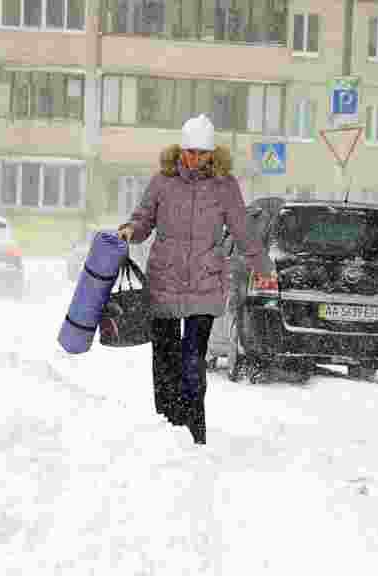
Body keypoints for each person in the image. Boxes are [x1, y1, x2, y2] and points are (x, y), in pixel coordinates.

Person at [117, 114, 275, 445]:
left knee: (192, 361)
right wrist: (131, 231)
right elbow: (144, 219)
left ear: (212, 154)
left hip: (205, 283)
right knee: (165, 360)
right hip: (165, 282)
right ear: (180, 150)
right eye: (190, 152)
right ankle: (167, 425)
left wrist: (262, 265)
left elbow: (243, 230)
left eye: (202, 153)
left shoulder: (224, 186)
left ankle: (194, 430)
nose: (195, 159)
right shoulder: (163, 181)